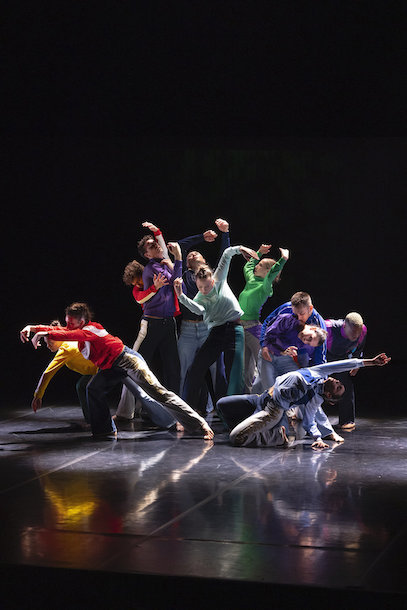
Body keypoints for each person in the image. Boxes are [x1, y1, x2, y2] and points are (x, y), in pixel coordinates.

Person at [20, 302, 214, 440]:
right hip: (111, 367)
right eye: (67, 322)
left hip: (128, 361)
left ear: (83, 321)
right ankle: (104, 431)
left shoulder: (92, 329)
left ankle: (200, 424)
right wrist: (33, 328)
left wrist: (44, 332)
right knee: (93, 388)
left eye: (72, 323)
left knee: (158, 393)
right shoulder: (77, 332)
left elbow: (69, 334)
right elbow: (65, 331)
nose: (68, 326)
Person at [217, 353, 390, 450]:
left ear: (329, 396)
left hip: (272, 410)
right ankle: (250, 428)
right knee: (222, 405)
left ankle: (276, 437)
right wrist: (370, 362)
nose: (338, 381)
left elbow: (309, 421)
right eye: (339, 383)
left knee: (236, 438)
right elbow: (342, 364)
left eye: (338, 387)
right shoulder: (319, 372)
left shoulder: (314, 399)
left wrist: (317, 438)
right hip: (260, 398)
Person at [174, 244, 258, 415]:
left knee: (234, 373)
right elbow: (198, 309)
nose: (204, 291)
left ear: (212, 281)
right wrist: (181, 296)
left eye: (207, 287)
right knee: (196, 368)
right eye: (200, 288)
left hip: (235, 330)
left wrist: (241, 249)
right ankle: (187, 414)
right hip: (216, 333)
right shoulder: (200, 297)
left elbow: (227, 254)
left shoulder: (219, 278)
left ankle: (234, 415)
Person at [177, 218, 230, 406]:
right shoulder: (183, 274)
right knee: (182, 371)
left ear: (205, 261)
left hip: (209, 327)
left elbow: (225, 255)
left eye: (197, 253)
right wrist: (201, 238)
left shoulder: (212, 276)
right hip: (188, 329)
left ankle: (220, 409)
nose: (192, 253)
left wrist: (225, 233)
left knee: (217, 371)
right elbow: (179, 247)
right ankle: (180, 408)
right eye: (190, 255)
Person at [238, 244, 289, 392]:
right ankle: (249, 399)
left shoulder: (265, 287)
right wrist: (258, 253)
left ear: (267, 271)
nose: (256, 266)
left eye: (260, 265)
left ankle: (271, 396)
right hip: (240, 328)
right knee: (245, 370)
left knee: (263, 366)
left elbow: (272, 273)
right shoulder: (251, 280)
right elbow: (248, 266)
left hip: (253, 329)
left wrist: (283, 259)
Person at [254, 291, 327, 393]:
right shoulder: (287, 312)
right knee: (265, 384)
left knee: (291, 385)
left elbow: (320, 357)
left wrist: (323, 381)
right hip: (275, 347)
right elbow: (268, 322)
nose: (299, 318)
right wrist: (264, 345)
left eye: (302, 314)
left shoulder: (318, 326)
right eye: (295, 314)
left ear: (310, 309)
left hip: (297, 355)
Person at [31, 321, 97, 425]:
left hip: (102, 368)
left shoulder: (66, 348)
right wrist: (31, 328)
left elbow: (48, 373)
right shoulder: (69, 341)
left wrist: (38, 396)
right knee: (81, 386)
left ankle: (96, 421)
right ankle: (93, 420)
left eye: (50, 342)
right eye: (46, 343)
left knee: (87, 388)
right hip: (95, 370)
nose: (48, 346)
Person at [325, 312, 368, 430]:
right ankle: (305, 416)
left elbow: (359, 349)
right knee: (317, 386)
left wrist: (357, 363)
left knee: (345, 385)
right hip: (324, 356)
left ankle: (346, 420)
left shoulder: (363, 330)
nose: (356, 335)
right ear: (344, 326)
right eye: (353, 332)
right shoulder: (328, 327)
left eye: (358, 333)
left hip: (342, 357)